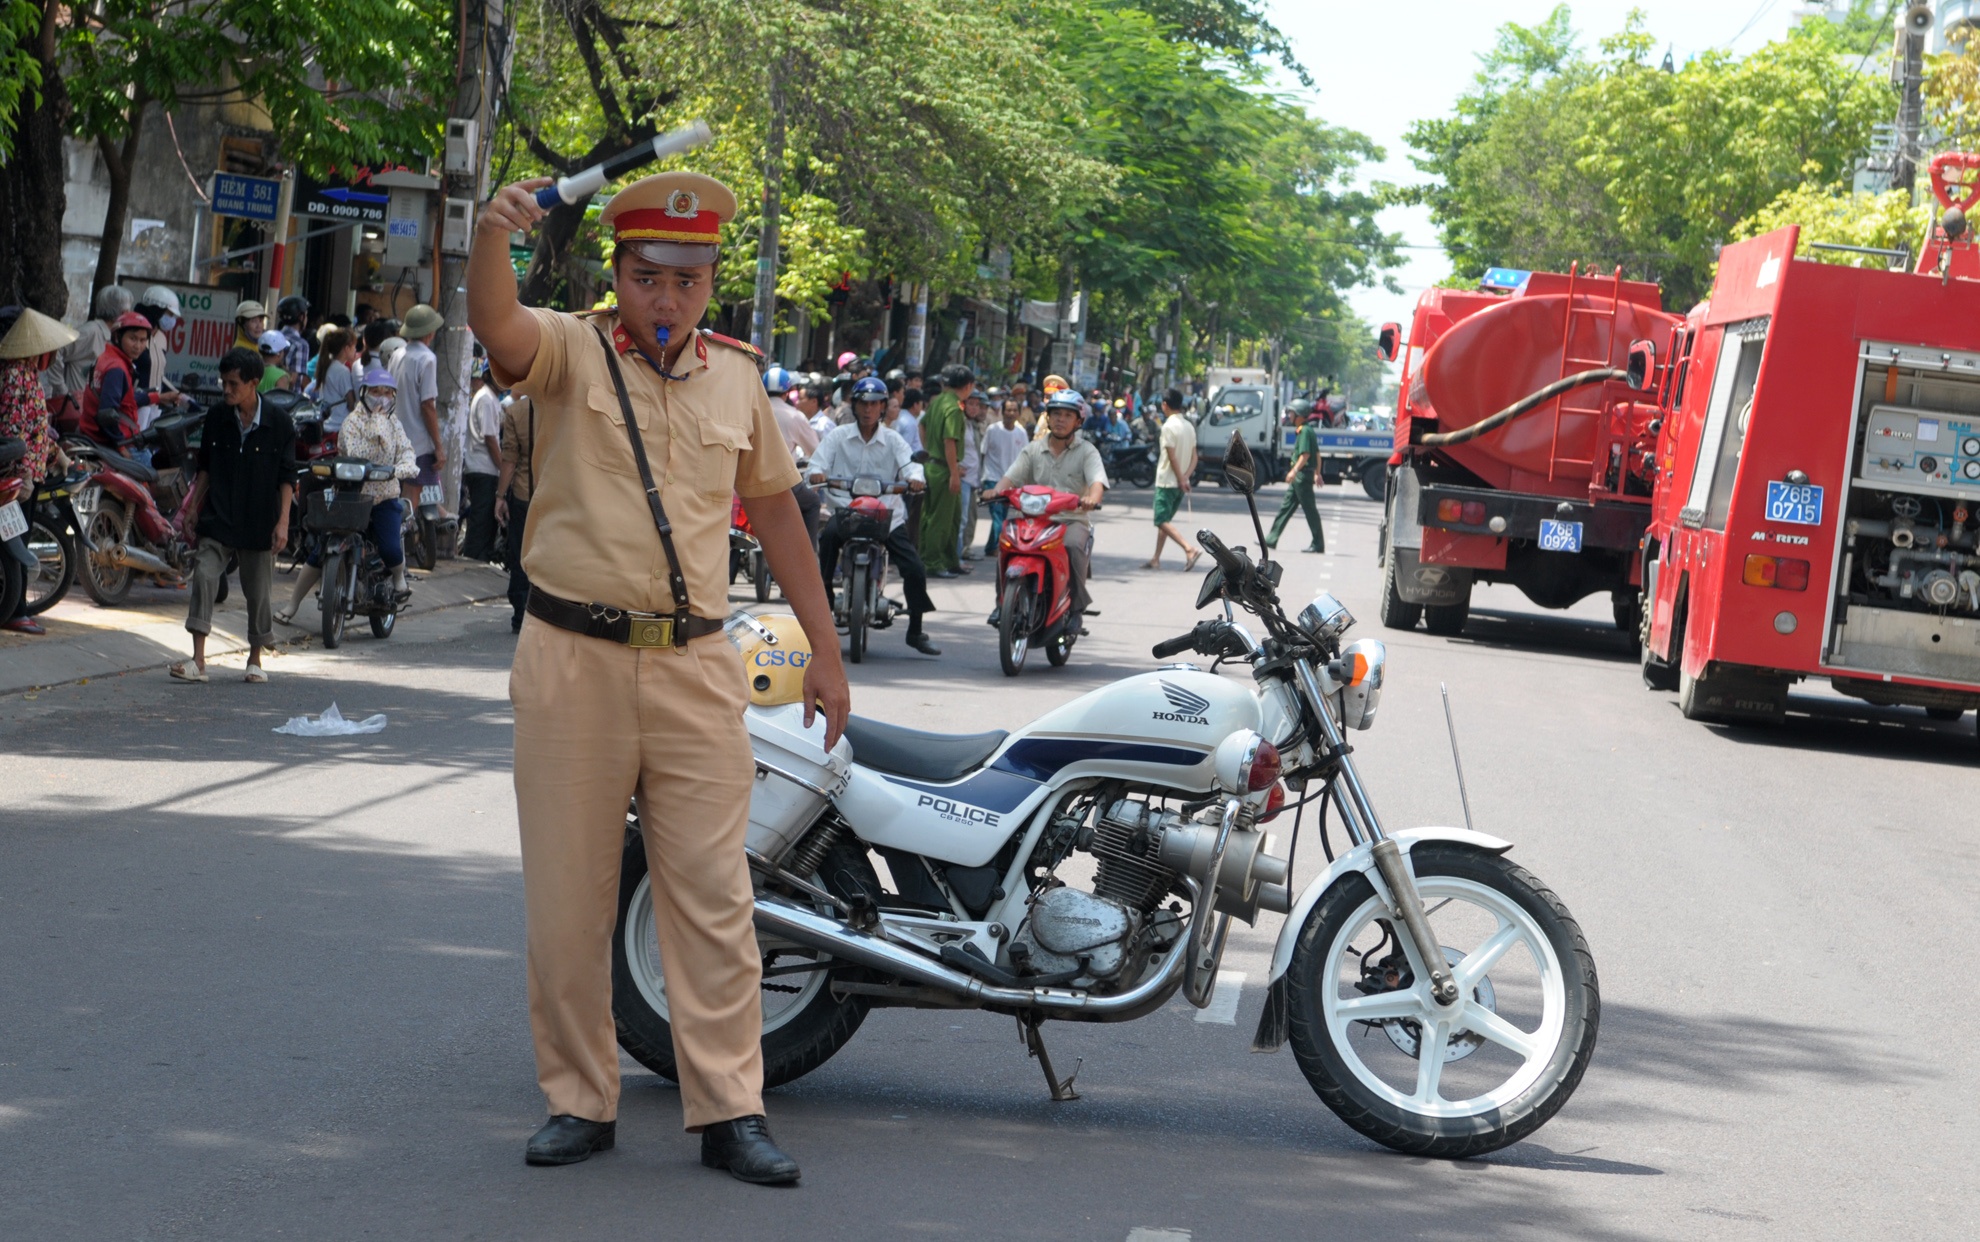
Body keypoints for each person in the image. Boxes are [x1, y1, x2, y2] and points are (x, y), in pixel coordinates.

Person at [469, 167, 845, 1182]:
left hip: (691, 667)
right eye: (646, 277)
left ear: (709, 282)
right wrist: (490, 236)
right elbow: (499, 330)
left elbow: (776, 513)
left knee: (714, 896)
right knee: (568, 899)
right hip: (570, 661)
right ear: (617, 275)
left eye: (686, 280)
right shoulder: (568, 353)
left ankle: (731, 1109)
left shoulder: (737, 379)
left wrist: (825, 651)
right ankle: (578, 1101)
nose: (666, 298)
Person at [168, 348, 295, 684]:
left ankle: (255, 659)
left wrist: (282, 522)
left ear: (254, 383)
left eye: (233, 383)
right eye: (223, 382)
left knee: (259, 591)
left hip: (258, 518)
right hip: (219, 513)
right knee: (205, 576)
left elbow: (287, 478)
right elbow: (205, 468)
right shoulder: (217, 418)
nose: (226, 390)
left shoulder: (279, 422)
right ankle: (198, 660)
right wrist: (194, 506)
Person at [809, 376, 939, 655]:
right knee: (826, 550)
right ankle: (824, 610)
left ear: (883, 407)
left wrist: (916, 479)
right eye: (863, 403)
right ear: (854, 405)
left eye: (874, 404)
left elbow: (911, 466)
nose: (868, 409)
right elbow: (817, 463)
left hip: (886, 515)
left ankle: (915, 630)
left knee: (915, 568)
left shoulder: (894, 440)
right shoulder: (837, 436)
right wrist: (817, 473)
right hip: (846, 511)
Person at [277, 367, 417, 624]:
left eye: (387, 393)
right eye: (376, 392)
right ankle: (292, 604)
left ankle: (399, 578)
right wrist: (376, 421)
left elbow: (407, 452)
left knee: (389, 546)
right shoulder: (352, 422)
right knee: (319, 549)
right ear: (364, 393)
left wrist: (401, 468)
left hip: (384, 496)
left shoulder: (395, 424)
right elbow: (354, 451)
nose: (381, 397)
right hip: (351, 497)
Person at [990, 388, 1106, 628]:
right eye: (1056, 414)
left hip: (1071, 520)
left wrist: (1092, 498)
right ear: (1048, 417)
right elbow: (1010, 478)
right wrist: (995, 491)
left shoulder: (1087, 451)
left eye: (1067, 415)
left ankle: (1076, 608)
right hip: (1033, 520)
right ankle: (1002, 602)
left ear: (1078, 421)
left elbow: (1097, 483)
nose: (1061, 420)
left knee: (1072, 546)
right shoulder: (1033, 449)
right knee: (1005, 542)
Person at [0, 307, 79, 634]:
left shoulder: (28, 373)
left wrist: (53, 451)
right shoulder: (14, 375)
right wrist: (28, 469)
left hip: (28, 472)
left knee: (19, 536)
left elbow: (35, 427)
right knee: (14, 538)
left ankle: (16, 608)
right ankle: (16, 610)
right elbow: (12, 427)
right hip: (17, 476)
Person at [82, 312, 181, 464]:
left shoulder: (107, 358)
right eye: (133, 338)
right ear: (118, 337)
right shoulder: (117, 368)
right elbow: (107, 414)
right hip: (116, 443)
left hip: (95, 437)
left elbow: (123, 400)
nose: (138, 346)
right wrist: (122, 448)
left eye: (143, 340)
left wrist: (159, 397)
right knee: (153, 477)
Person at [390, 304, 444, 511]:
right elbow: (428, 405)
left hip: (395, 436)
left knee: (399, 495)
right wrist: (438, 446)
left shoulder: (397, 354)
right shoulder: (427, 358)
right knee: (412, 498)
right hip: (418, 441)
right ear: (430, 333)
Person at [918, 363, 970, 577]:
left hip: (934, 465)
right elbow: (950, 441)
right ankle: (933, 563)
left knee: (949, 517)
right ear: (968, 385)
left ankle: (950, 560)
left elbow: (922, 426)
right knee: (940, 519)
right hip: (944, 470)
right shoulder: (954, 407)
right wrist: (954, 472)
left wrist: (929, 450)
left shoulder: (937, 402)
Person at [764, 366, 822, 546]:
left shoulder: (750, 410)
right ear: (788, 392)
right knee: (812, 503)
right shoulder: (795, 416)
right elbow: (816, 451)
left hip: (746, 480)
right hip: (783, 482)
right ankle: (808, 556)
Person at [1145, 387, 1201, 571]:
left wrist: (1179, 477)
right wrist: (1186, 477)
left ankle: (1189, 548)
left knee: (1161, 520)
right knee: (1166, 521)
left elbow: (1171, 456)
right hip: (1180, 482)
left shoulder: (1168, 426)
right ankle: (1155, 558)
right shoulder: (1188, 426)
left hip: (1168, 480)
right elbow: (1195, 458)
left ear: (1165, 405)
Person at [495, 392, 536, 633]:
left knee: (521, 554)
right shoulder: (560, 408)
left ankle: (521, 613)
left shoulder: (516, 412)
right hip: (554, 495)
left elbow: (509, 457)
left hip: (524, 494)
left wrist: (500, 496)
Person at [1265, 402, 1326, 553]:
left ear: (1299, 415)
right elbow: (1318, 455)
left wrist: (1293, 471)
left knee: (1310, 510)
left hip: (1302, 476)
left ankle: (1318, 543)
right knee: (1286, 507)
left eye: (1292, 413)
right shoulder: (1307, 430)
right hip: (1302, 476)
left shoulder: (1305, 431)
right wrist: (1317, 473)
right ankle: (1270, 539)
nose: (1289, 416)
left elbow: (1306, 455)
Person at [461, 355, 505, 561]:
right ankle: (474, 557)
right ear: (488, 375)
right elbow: (490, 438)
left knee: (485, 517)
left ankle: (480, 556)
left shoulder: (491, 399)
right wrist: (503, 468)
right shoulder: (486, 399)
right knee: (481, 518)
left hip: (484, 467)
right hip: (482, 467)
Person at [52, 285, 132, 399]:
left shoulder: (111, 336)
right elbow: (55, 350)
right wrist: (63, 391)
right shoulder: (91, 332)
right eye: (128, 310)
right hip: (76, 407)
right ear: (123, 312)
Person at [979, 395, 1028, 555]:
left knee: (1001, 516)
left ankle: (990, 547)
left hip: (1010, 483)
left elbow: (1025, 460)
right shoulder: (993, 430)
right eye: (1008, 410)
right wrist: (980, 479)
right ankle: (996, 547)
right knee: (998, 516)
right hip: (992, 479)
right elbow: (983, 453)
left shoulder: (1021, 433)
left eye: (1014, 410)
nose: (1011, 413)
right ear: (1003, 411)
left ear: (1018, 413)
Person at [957, 388, 990, 562]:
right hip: (961, 478)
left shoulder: (971, 424)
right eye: (972, 404)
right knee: (961, 520)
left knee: (968, 517)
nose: (975, 408)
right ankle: (957, 558)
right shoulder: (960, 422)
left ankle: (962, 551)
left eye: (978, 405)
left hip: (971, 479)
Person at [133, 285, 183, 396]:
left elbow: (158, 375)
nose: (172, 320)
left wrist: (177, 395)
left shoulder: (161, 339)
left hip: (153, 405)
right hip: (135, 402)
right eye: (169, 314)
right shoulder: (134, 333)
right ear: (157, 310)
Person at [310, 328, 361, 431]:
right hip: (339, 426)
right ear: (347, 348)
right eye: (354, 347)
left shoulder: (328, 365)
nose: (356, 350)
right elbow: (351, 405)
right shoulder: (343, 371)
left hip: (326, 423)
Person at [276, 296, 312, 379]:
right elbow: (293, 379)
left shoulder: (274, 337)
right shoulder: (301, 344)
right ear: (301, 317)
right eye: (306, 315)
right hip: (289, 392)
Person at [892, 384, 924, 453]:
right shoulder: (910, 422)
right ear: (915, 405)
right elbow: (904, 449)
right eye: (921, 404)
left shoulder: (898, 415)